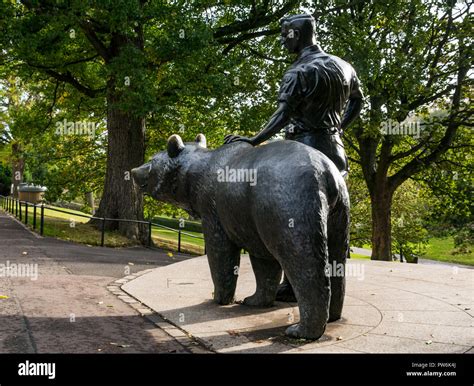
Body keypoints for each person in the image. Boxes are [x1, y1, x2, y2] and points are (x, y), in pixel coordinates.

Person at [224, 13, 363, 302]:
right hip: (335, 153)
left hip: (302, 154)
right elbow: (358, 102)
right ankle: (323, 296)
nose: (281, 40)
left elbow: (282, 114)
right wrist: (336, 128)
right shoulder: (344, 66)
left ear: (296, 35)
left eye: (284, 34)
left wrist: (253, 140)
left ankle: (311, 299)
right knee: (331, 227)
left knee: (298, 224)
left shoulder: (298, 72)